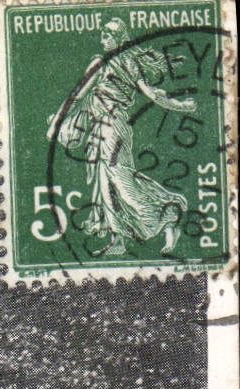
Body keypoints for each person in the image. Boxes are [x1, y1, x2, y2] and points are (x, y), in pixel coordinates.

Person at [48, 18, 195, 256]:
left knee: (121, 180)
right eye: (102, 34)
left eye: (108, 35)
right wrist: (58, 121)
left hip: (114, 126)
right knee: (105, 185)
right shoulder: (107, 62)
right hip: (100, 129)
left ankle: (168, 215)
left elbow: (152, 94)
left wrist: (181, 106)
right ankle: (118, 239)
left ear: (119, 38)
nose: (103, 39)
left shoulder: (122, 62)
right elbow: (78, 96)